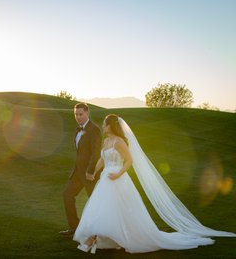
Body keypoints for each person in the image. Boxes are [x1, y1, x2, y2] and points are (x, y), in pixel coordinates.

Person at [74, 114, 235, 254]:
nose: (103, 126)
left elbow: (129, 160)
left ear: (111, 126)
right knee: (104, 209)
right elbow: (102, 158)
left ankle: (100, 238)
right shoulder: (106, 141)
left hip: (117, 178)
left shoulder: (119, 142)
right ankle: (103, 238)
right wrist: (94, 172)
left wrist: (119, 173)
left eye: (104, 124)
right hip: (105, 179)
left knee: (119, 210)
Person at [59, 103, 102, 236]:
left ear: (87, 113)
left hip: (90, 174)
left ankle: (100, 231)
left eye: (80, 114)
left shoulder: (94, 129)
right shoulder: (78, 129)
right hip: (78, 173)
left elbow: (96, 152)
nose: (78, 117)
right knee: (67, 195)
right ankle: (74, 227)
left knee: (96, 202)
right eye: (76, 114)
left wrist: (90, 171)